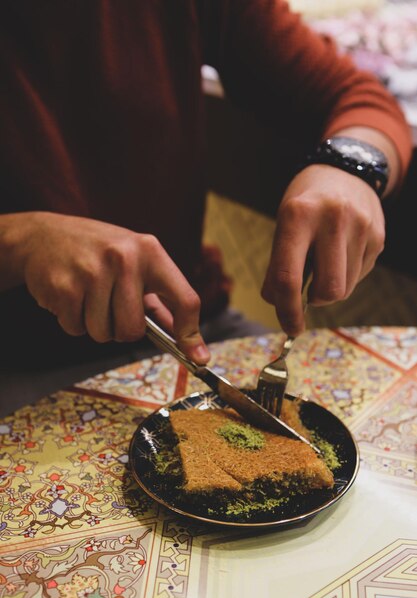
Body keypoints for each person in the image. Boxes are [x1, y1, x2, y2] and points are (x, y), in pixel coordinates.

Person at [0, 0, 412, 414]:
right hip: (17, 364)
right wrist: (20, 242)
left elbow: (357, 96)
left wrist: (349, 167)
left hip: (195, 333)